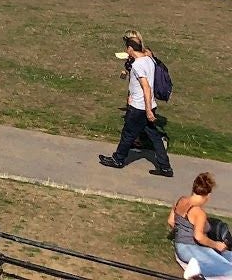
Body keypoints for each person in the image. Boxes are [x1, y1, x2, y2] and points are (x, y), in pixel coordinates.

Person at [99, 31, 173, 177]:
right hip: (148, 105)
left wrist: (147, 111)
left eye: (127, 48)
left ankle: (118, 159)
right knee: (155, 137)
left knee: (128, 134)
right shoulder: (149, 60)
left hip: (139, 107)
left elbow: (146, 87)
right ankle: (165, 167)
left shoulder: (138, 65)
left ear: (130, 49)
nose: (127, 51)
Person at [169, 173, 232, 277]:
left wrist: (182, 233)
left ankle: (199, 266)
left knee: (228, 256)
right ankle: (199, 267)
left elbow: (171, 221)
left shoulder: (181, 200)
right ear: (208, 195)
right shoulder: (199, 213)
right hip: (191, 249)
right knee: (228, 271)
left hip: (180, 247)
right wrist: (217, 245)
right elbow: (198, 237)